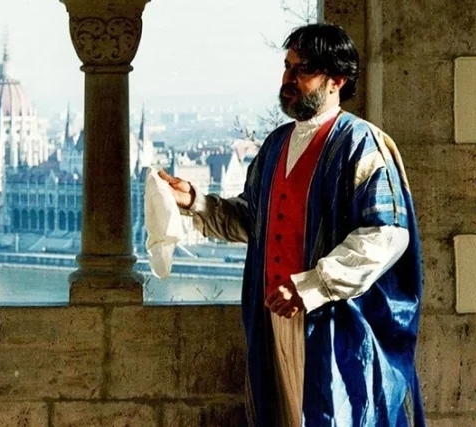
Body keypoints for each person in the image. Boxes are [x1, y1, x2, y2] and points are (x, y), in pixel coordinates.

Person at [159, 23, 424, 426]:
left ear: (337, 80)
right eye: (287, 67)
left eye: (303, 70)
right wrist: (194, 202)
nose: (288, 79)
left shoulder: (362, 144)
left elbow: (386, 234)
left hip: (334, 329)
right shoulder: (276, 145)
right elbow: (252, 220)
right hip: (273, 322)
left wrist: (311, 286)